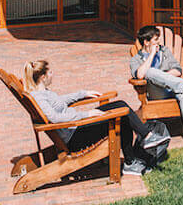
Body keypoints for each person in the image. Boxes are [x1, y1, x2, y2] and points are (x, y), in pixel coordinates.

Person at [23, 59, 166, 174]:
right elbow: (54, 118)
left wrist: (82, 93)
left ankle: (145, 139)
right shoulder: (39, 97)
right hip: (75, 136)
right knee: (121, 116)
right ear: (42, 77)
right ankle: (137, 152)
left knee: (121, 105)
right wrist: (86, 114)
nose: (52, 74)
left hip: (78, 126)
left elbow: (60, 102)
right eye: (50, 72)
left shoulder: (43, 92)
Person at [129, 25, 183, 149]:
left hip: (173, 88)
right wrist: (152, 55)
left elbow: (177, 71)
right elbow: (140, 74)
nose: (158, 42)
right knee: (150, 72)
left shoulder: (165, 51)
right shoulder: (136, 59)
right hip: (156, 93)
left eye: (158, 39)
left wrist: (163, 79)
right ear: (146, 42)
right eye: (155, 40)